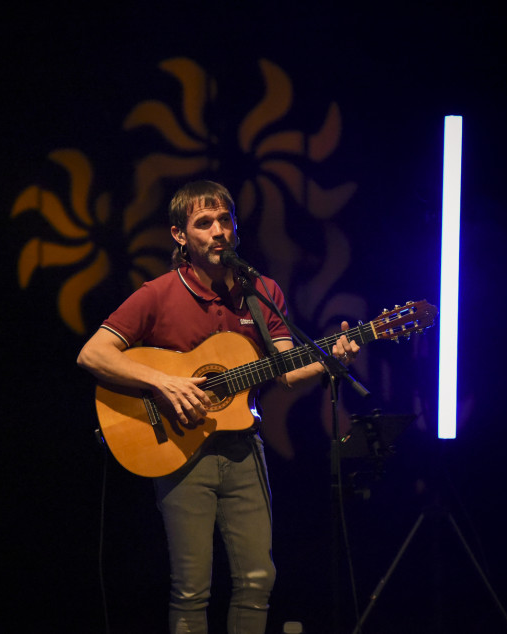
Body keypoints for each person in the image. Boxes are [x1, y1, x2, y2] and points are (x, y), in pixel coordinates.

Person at [77, 180, 359, 634]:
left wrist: (331, 359)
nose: (217, 231)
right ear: (180, 235)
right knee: (192, 586)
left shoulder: (261, 291)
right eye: (203, 223)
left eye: (224, 220)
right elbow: (93, 354)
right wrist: (164, 382)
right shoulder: (159, 293)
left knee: (257, 577)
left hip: (244, 448)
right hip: (179, 451)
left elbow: (284, 371)